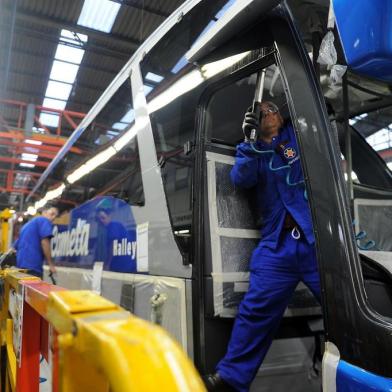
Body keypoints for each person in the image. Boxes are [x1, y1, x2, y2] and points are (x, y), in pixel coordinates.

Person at [204, 102, 321, 391]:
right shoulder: (252, 149)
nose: (273, 112)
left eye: (275, 108)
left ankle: (369, 359)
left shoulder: (295, 136)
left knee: (344, 301)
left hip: (313, 240)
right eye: (265, 110)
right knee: (255, 310)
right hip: (276, 246)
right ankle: (230, 378)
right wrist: (249, 140)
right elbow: (241, 179)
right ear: (256, 119)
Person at [13, 204, 58, 278]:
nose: (53, 218)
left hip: (20, 268)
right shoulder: (44, 220)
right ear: (44, 213)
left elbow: (15, 247)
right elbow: (45, 242)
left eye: (55, 216)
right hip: (33, 267)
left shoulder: (25, 226)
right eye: (52, 214)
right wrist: (51, 265)